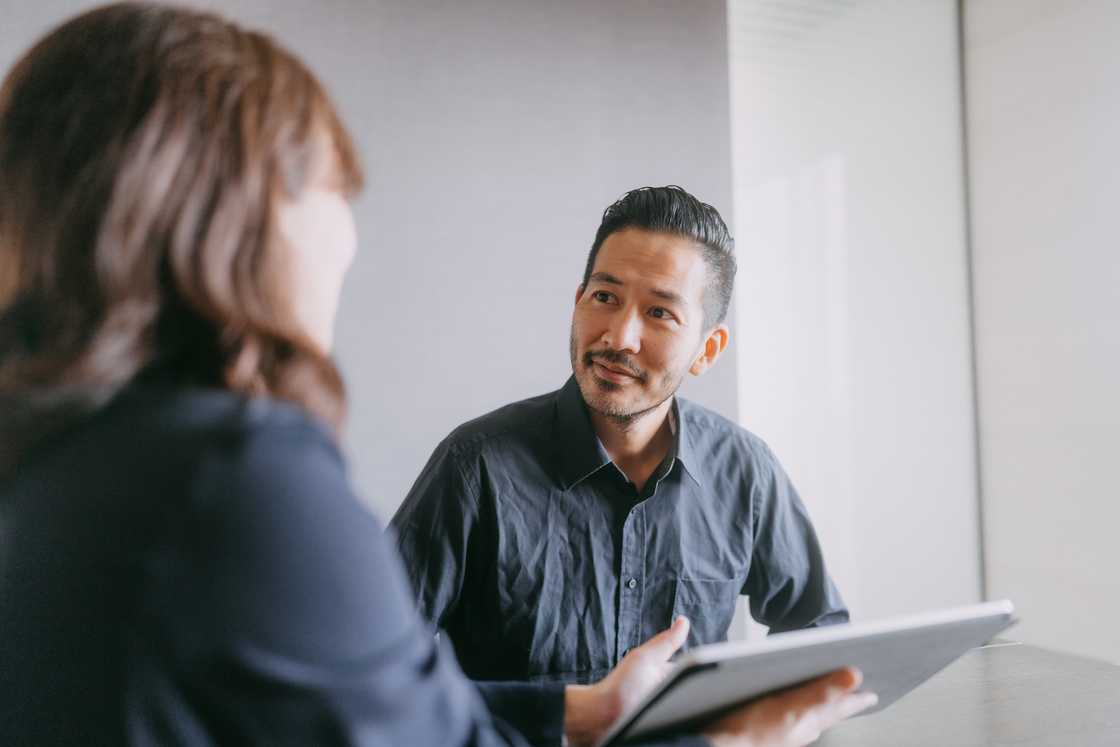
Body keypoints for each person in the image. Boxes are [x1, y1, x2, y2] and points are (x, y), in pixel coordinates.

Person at [0, 3, 874, 746]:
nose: (347, 231)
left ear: (706, 347)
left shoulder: (56, 451)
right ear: (214, 223)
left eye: (659, 313)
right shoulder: (245, 476)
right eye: (323, 182)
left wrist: (610, 710)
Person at [392, 186, 849, 686]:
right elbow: (370, 662)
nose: (618, 337)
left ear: (707, 349)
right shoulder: (474, 465)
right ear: (577, 301)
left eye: (660, 313)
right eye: (604, 297)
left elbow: (817, 635)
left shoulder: (746, 471)